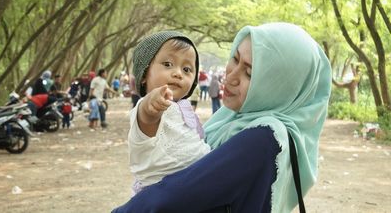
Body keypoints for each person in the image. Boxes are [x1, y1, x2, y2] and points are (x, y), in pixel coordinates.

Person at [111, 22, 332, 213]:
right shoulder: (231, 120)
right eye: (235, 59)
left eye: (250, 73)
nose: (231, 77)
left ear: (280, 88)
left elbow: (167, 198)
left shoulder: (264, 138)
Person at [128, 31, 210, 194]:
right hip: (162, 195)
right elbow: (148, 117)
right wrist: (152, 104)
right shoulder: (148, 107)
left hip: (192, 188)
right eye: (167, 64)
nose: (178, 73)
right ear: (144, 73)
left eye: (187, 69)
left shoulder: (183, 108)